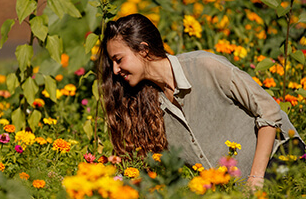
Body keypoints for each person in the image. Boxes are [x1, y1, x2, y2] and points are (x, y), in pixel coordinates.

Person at [97, 13, 305, 188]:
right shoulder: (148, 105)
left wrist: (256, 179)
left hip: (282, 158)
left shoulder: (205, 66)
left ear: (143, 49)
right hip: (236, 193)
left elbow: (269, 110)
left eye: (119, 59)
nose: (115, 70)